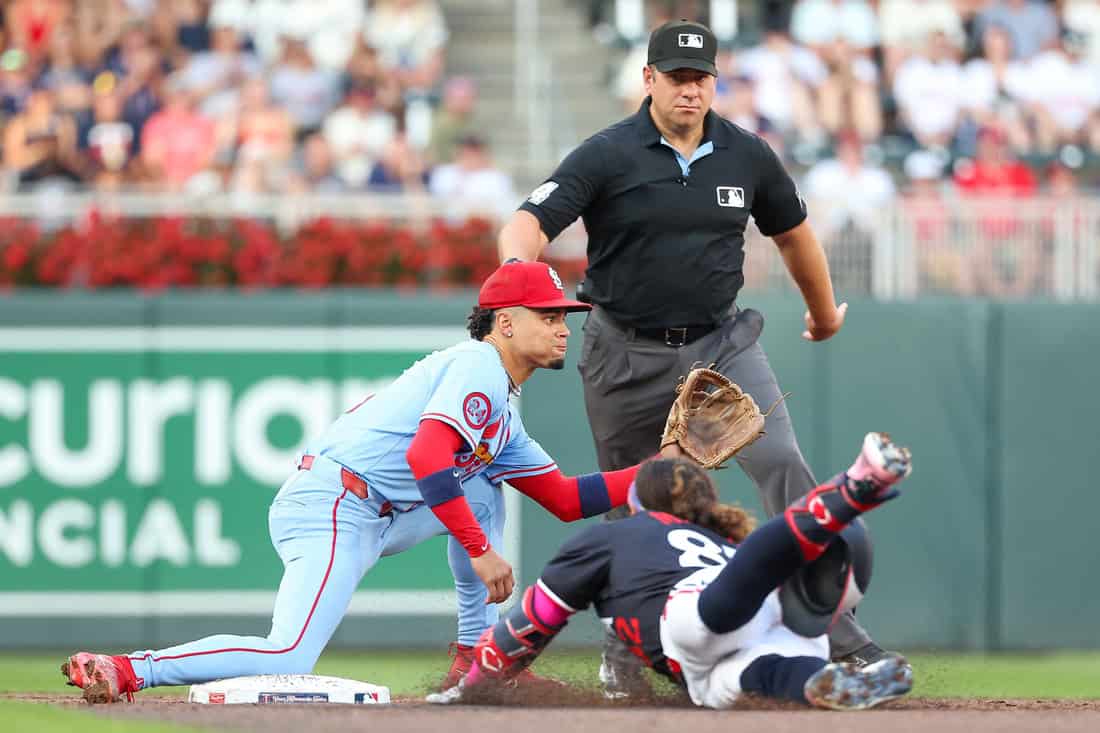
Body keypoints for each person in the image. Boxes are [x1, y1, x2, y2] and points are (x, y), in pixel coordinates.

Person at [60, 261, 677, 704]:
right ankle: (129, 667)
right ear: (505, 322)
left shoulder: (503, 410)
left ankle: (475, 660)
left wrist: (669, 465)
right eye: (549, 315)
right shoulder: (477, 365)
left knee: (489, 484)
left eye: (564, 315)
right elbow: (428, 459)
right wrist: (481, 550)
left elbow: (566, 499)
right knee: (289, 656)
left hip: (380, 512)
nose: (564, 325)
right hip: (333, 504)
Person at [495, 19, 885, 697]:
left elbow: (794, 236)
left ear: (715, 80)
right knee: (632, 509)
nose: (689, 88)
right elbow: (529, 222)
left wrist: (824, 315)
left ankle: (842, 640)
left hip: (720, 343)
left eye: (700, 76)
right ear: (647, 79)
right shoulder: (608, 154)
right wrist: (513, 273)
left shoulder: (746, 154)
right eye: (675, 76)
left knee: (782, 462)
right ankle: (624, 649)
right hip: (624, 349)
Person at [428, 433, 914, 711]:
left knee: (709, 617)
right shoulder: (722, 539)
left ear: (637, 501)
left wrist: (473, 686)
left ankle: (849, 491)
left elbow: (528, 626)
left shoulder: (612, 536)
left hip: (697, 616)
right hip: (768, 629)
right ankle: (823, 681)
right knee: (745, 678)